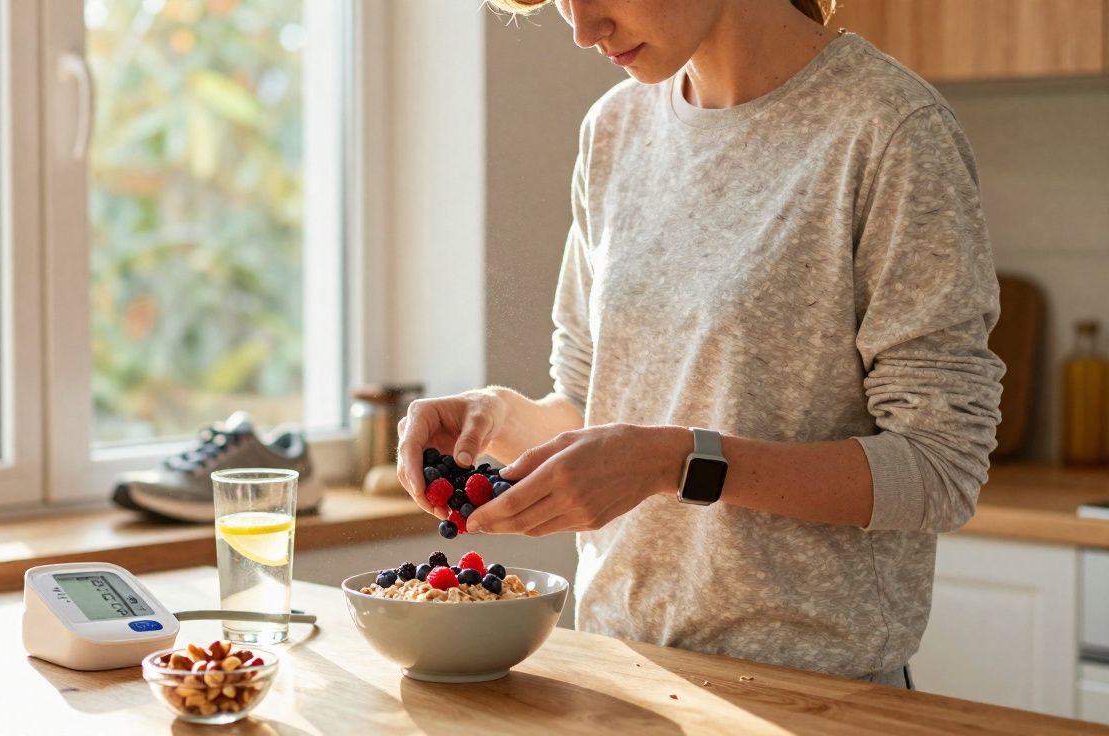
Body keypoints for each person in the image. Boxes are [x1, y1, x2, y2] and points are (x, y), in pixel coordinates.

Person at [396, 0, 1005, 688]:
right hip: (618, 675)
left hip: (815, 698)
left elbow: (938, 469)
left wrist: (678, 462)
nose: (581, 28)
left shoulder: (888, 130)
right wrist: (496, 418)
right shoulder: (615, 129)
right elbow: (590, 409)